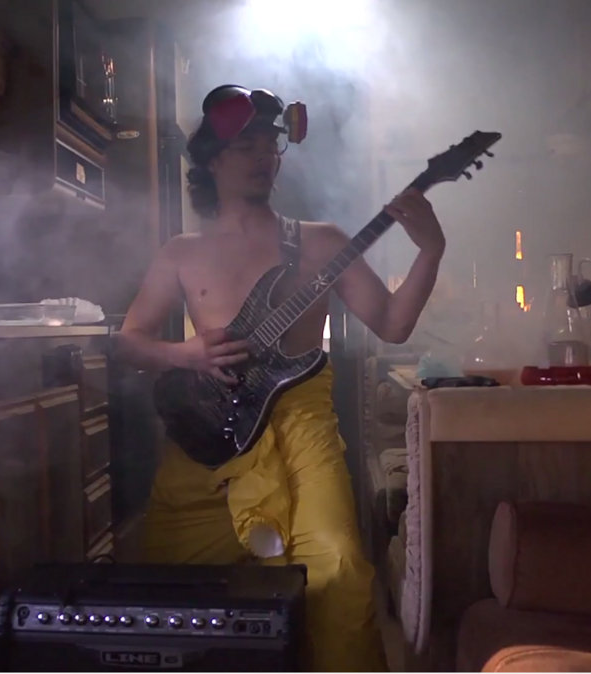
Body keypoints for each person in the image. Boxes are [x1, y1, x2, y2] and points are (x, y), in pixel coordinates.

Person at [116, 84, 445, 672]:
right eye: (246, 146)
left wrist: (431, 251)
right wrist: (186, 354)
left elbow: (393, 325)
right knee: (172, 580)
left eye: (270, 144)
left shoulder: (322, 242)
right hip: (209, 434)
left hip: (303, 431)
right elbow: (128, 342)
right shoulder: (180, 252)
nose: (263, 156)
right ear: (212, 160)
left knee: (338, 570)